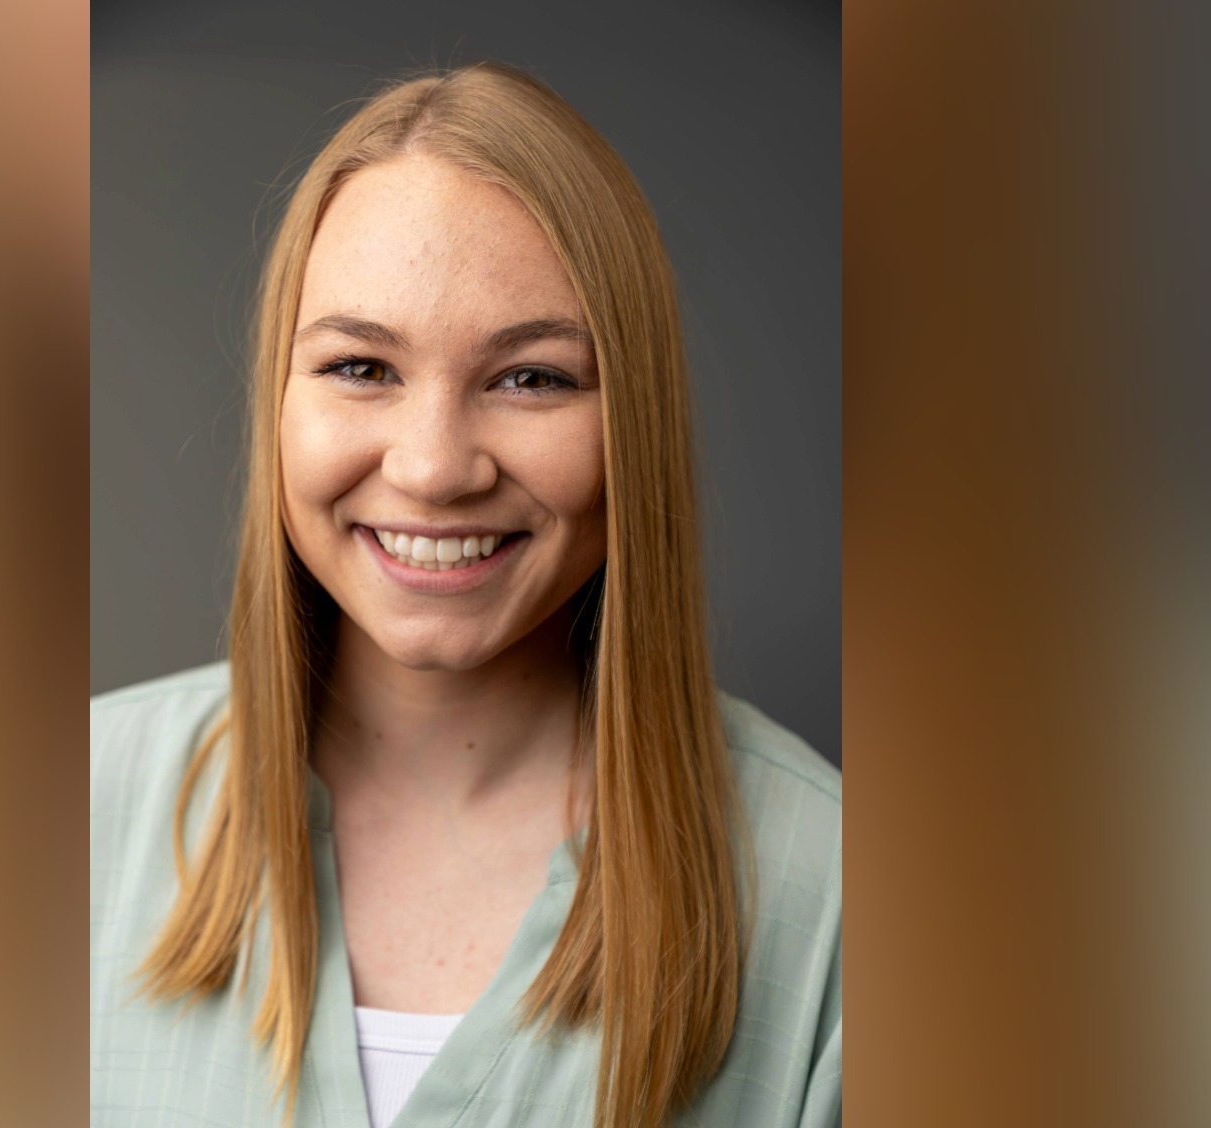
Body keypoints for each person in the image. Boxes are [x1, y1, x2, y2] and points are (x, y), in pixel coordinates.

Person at [92, 61, 840, 1128]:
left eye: (530, 377)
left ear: (632, 419)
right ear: (277, 397)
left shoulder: (842, 902)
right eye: (360, 367)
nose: (435, 468)